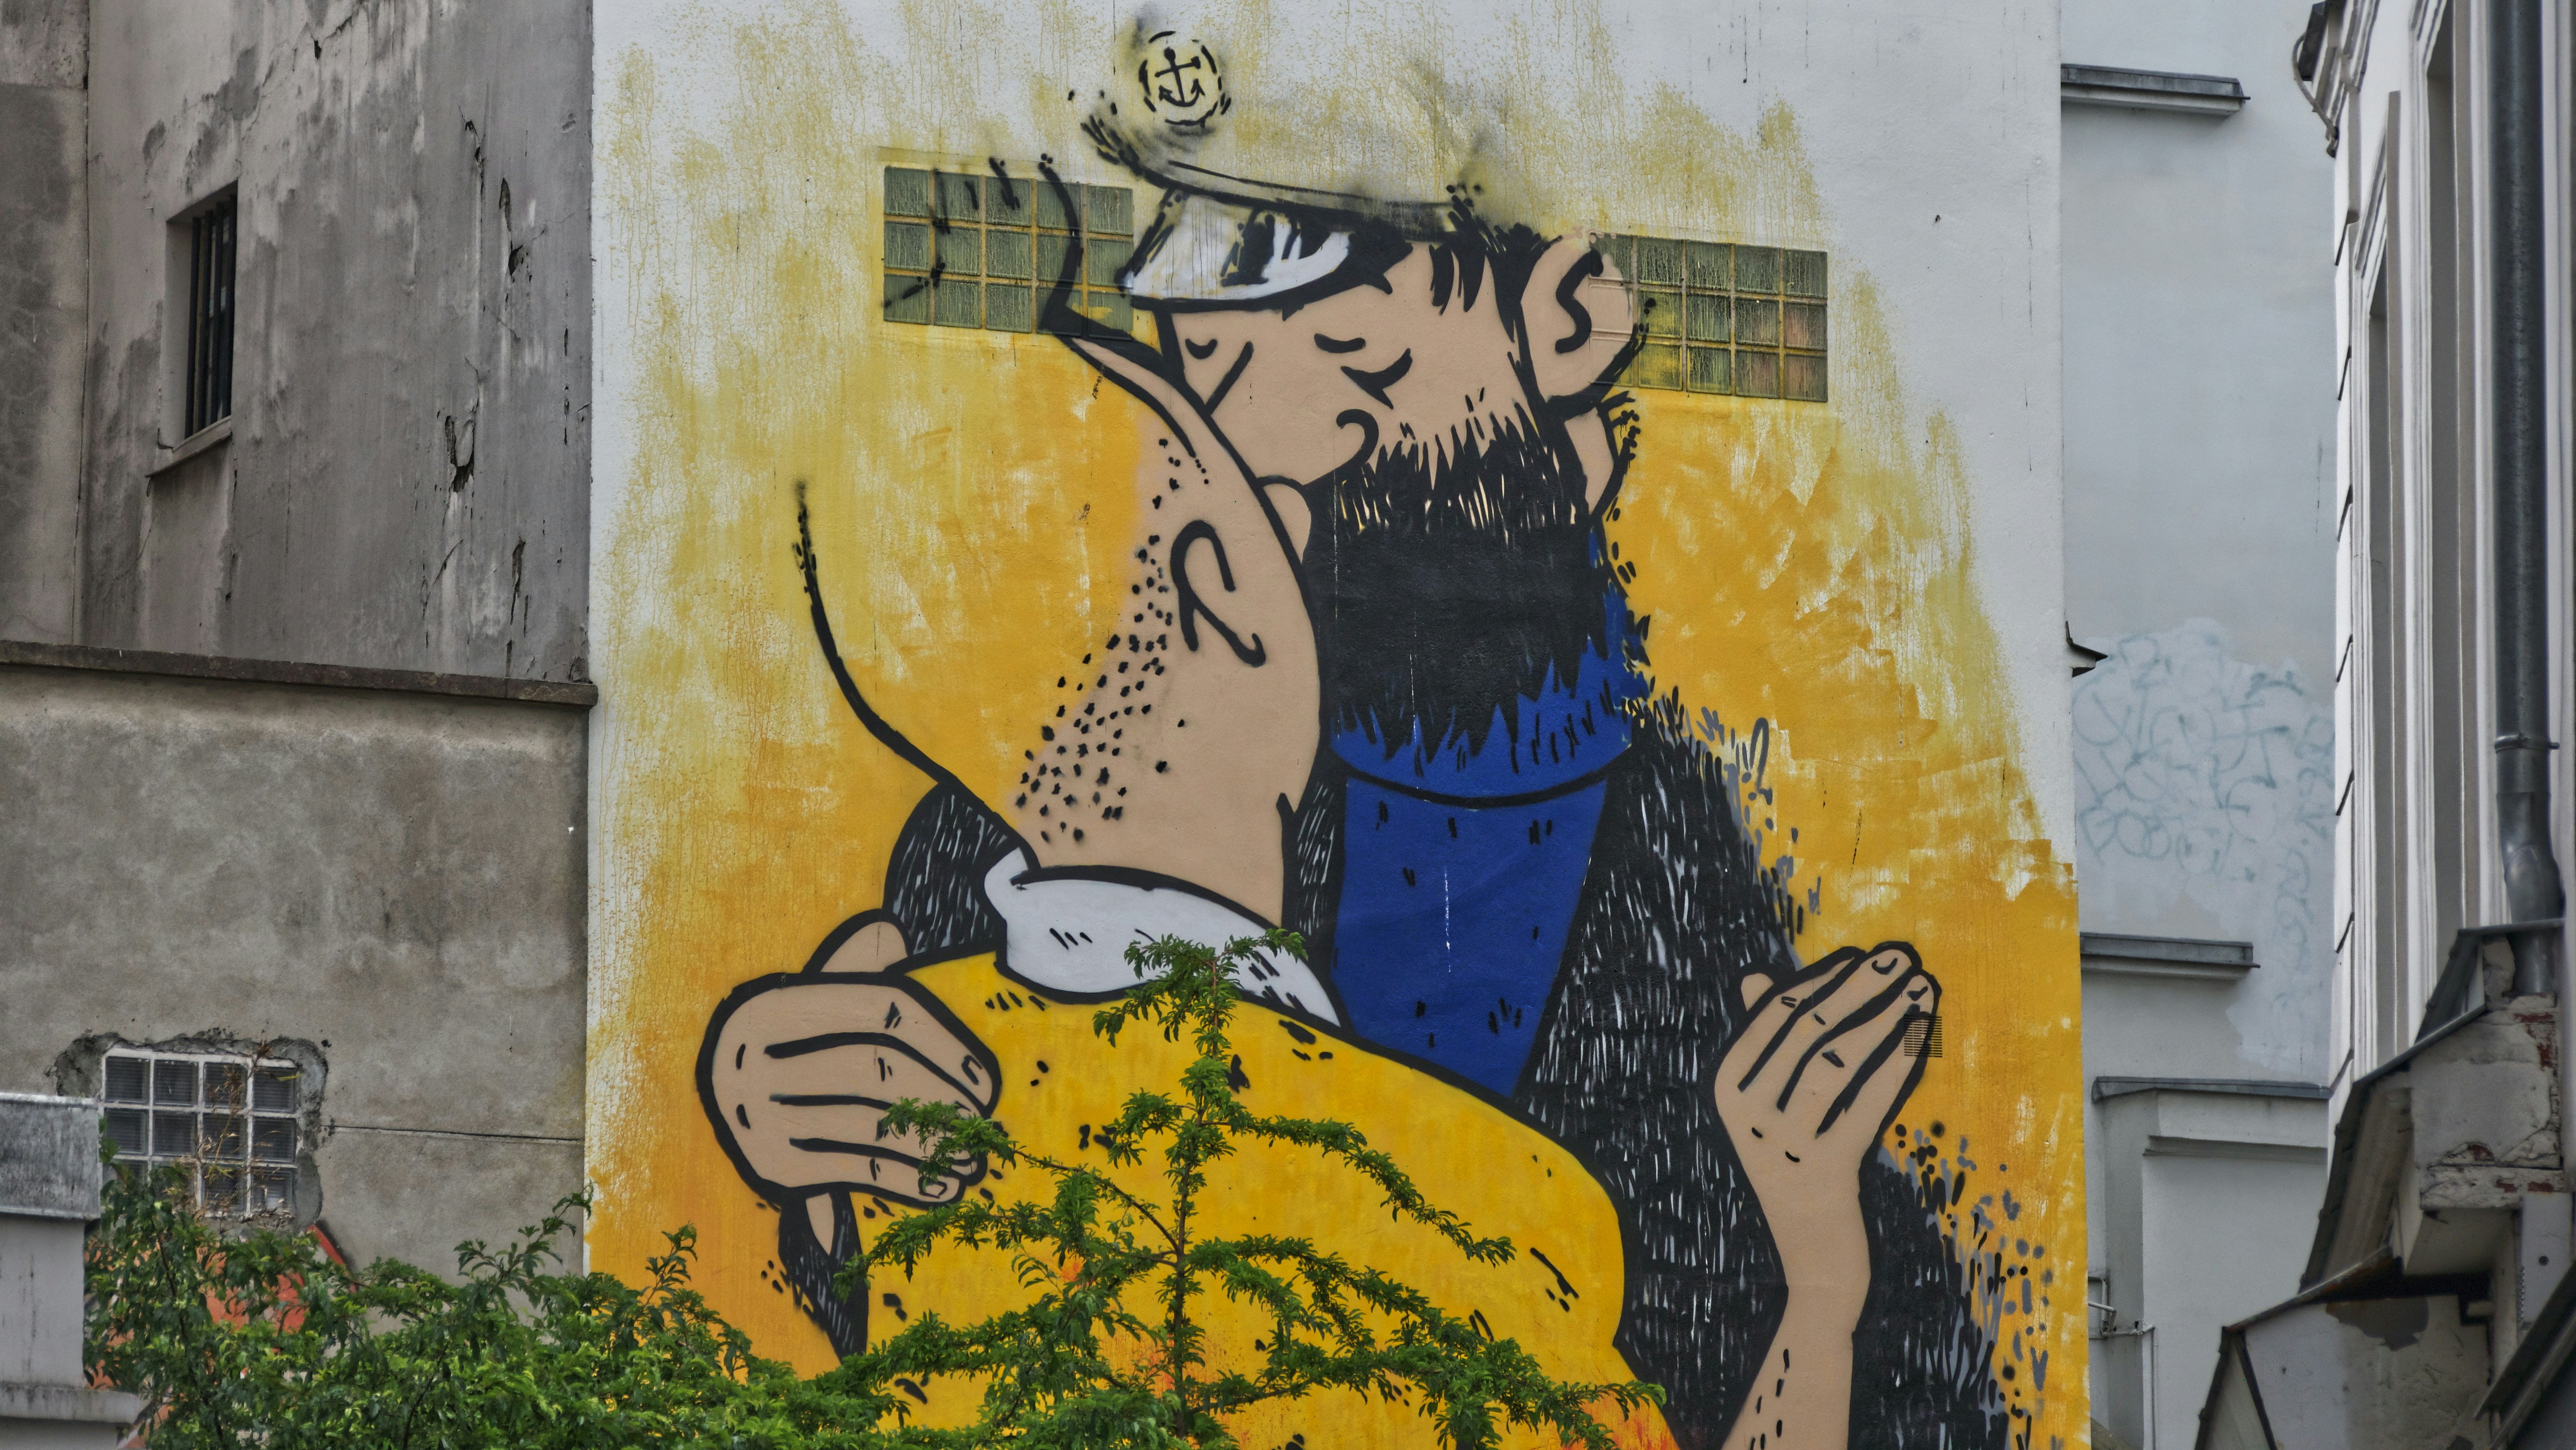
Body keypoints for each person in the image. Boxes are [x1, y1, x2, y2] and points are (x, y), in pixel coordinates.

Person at [696, 91, 2003, 1450]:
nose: (1282, 442)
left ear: (1569, 324)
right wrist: (779, 1112)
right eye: (1213, 376)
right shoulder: (1034, 825)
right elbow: (927, 1300)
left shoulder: (1718, 862)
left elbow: (1907, 1368)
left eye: (1351, 350)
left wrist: (1821, 1270)